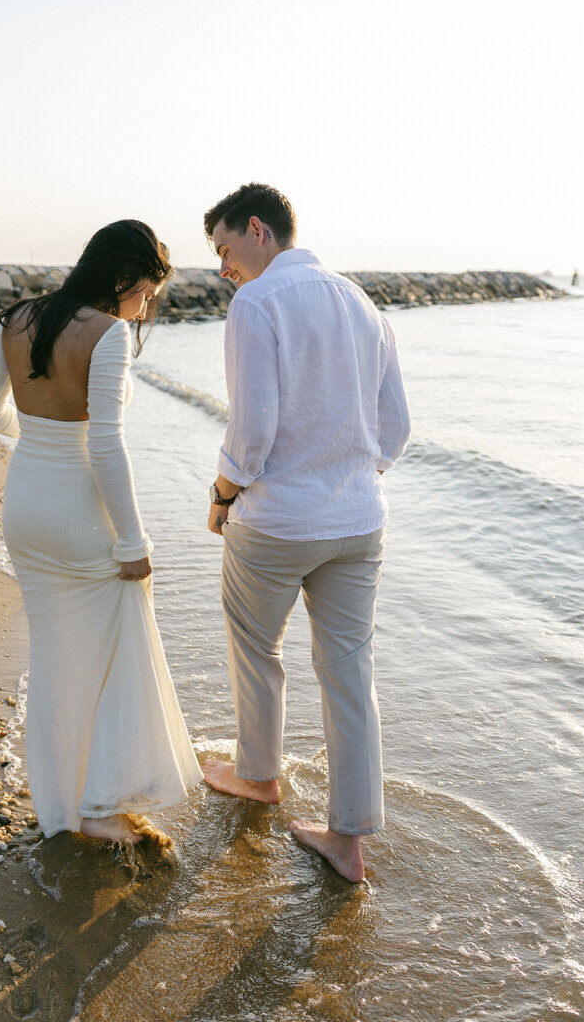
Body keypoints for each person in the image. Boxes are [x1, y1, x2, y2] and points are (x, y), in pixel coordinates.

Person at [201, 184, 411, 882]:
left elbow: (252, 430)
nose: (224, 267)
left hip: (277, 522)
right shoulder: (362, 302)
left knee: (257, 648)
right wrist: (351, 473)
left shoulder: (257, 303)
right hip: (358, 521)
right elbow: (397, 429)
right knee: (350, 673)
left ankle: (259, 776)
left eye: (225, 249)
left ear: (258, 230)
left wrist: (223, 493)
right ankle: (348, 841)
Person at [0, 220, 202, 849]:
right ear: (124, 278)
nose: (147, 306)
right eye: (148, 293)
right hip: (77, 512)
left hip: (24, 503)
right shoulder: (109, 335)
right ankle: (100, 806)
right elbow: (105, 443)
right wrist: (134, 542)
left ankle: (61, 808)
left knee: (54, 657)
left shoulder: (16, 317)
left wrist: (41, 447)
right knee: (115, 652)